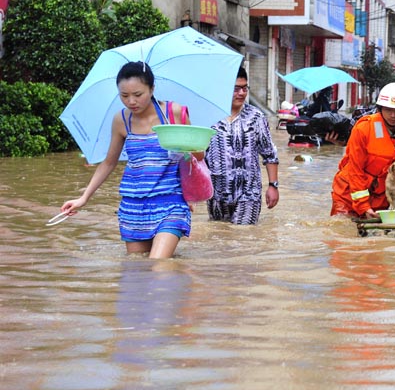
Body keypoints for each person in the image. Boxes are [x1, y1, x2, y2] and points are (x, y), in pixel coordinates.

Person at [60, 62, 195, 259]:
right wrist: (83, 198)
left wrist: (191, 193)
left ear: (152, 89)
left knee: (157, 264)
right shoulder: (121, 120)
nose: (131, 101)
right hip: (133, 206)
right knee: (137, 268)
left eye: (138, 94)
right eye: (124, 96)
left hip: (170, 202)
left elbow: (197, 156)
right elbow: (109, 163)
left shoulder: (174, 113)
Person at [331, 82, 395, 218]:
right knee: (342, 227)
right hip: (348, 195)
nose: (393, 115)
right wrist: (363, 206)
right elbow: (355, 170)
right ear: (380, 108)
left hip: (382, 198)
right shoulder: (364, 128)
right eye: (388, 109)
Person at [206, 67, 280, 225]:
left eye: (245, 88)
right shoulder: (209, 117)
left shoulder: (256, 117)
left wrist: (273, 186)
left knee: (244, 235)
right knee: (218, 235)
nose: (241, 93)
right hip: (216, 194)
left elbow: (269, 154)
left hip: (249, 193)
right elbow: (198, 155)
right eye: (236, 89)